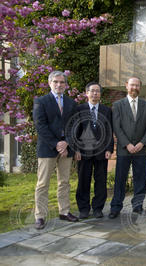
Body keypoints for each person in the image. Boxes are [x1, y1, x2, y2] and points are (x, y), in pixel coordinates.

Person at [33, 70, 79, 230]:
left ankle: (64, 211)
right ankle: (40, 216)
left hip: (66, 149)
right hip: (47, 149)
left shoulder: (71, 103)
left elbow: (74, 125)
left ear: (66, 85)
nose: (59, 85)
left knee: (64, 182)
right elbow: (40, 126)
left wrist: (66, 143)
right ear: (49, 83)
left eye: (62, 82)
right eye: (56, 82)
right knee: (42, 183)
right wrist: (56, 144)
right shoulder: (41, 101)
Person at [108, 77, 146, 218]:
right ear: (127, 86)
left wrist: (142, 143)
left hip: (141, 149)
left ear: (140, 87)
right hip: (124, 149)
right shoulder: (118, 105)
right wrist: (127, 144)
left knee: (140, 179)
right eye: (132, 85)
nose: (135, 88)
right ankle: (115, 207)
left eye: (137, 85)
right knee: (120, 179)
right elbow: (117, 127)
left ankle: (138, 206)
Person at [74, 82, 114, 219]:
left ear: (100, 94)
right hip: (83, 153)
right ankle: (83, 209)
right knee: (83, 180)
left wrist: (109, 148)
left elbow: (109, 131)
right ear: (87, 93)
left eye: (97, 91)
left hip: (101, 152)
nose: (95, 93)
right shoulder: (79, 109)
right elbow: (75, 131)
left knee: (101, 181)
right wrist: (76, 150)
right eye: (92, 91)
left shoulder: (106, 110)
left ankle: (98, 208)